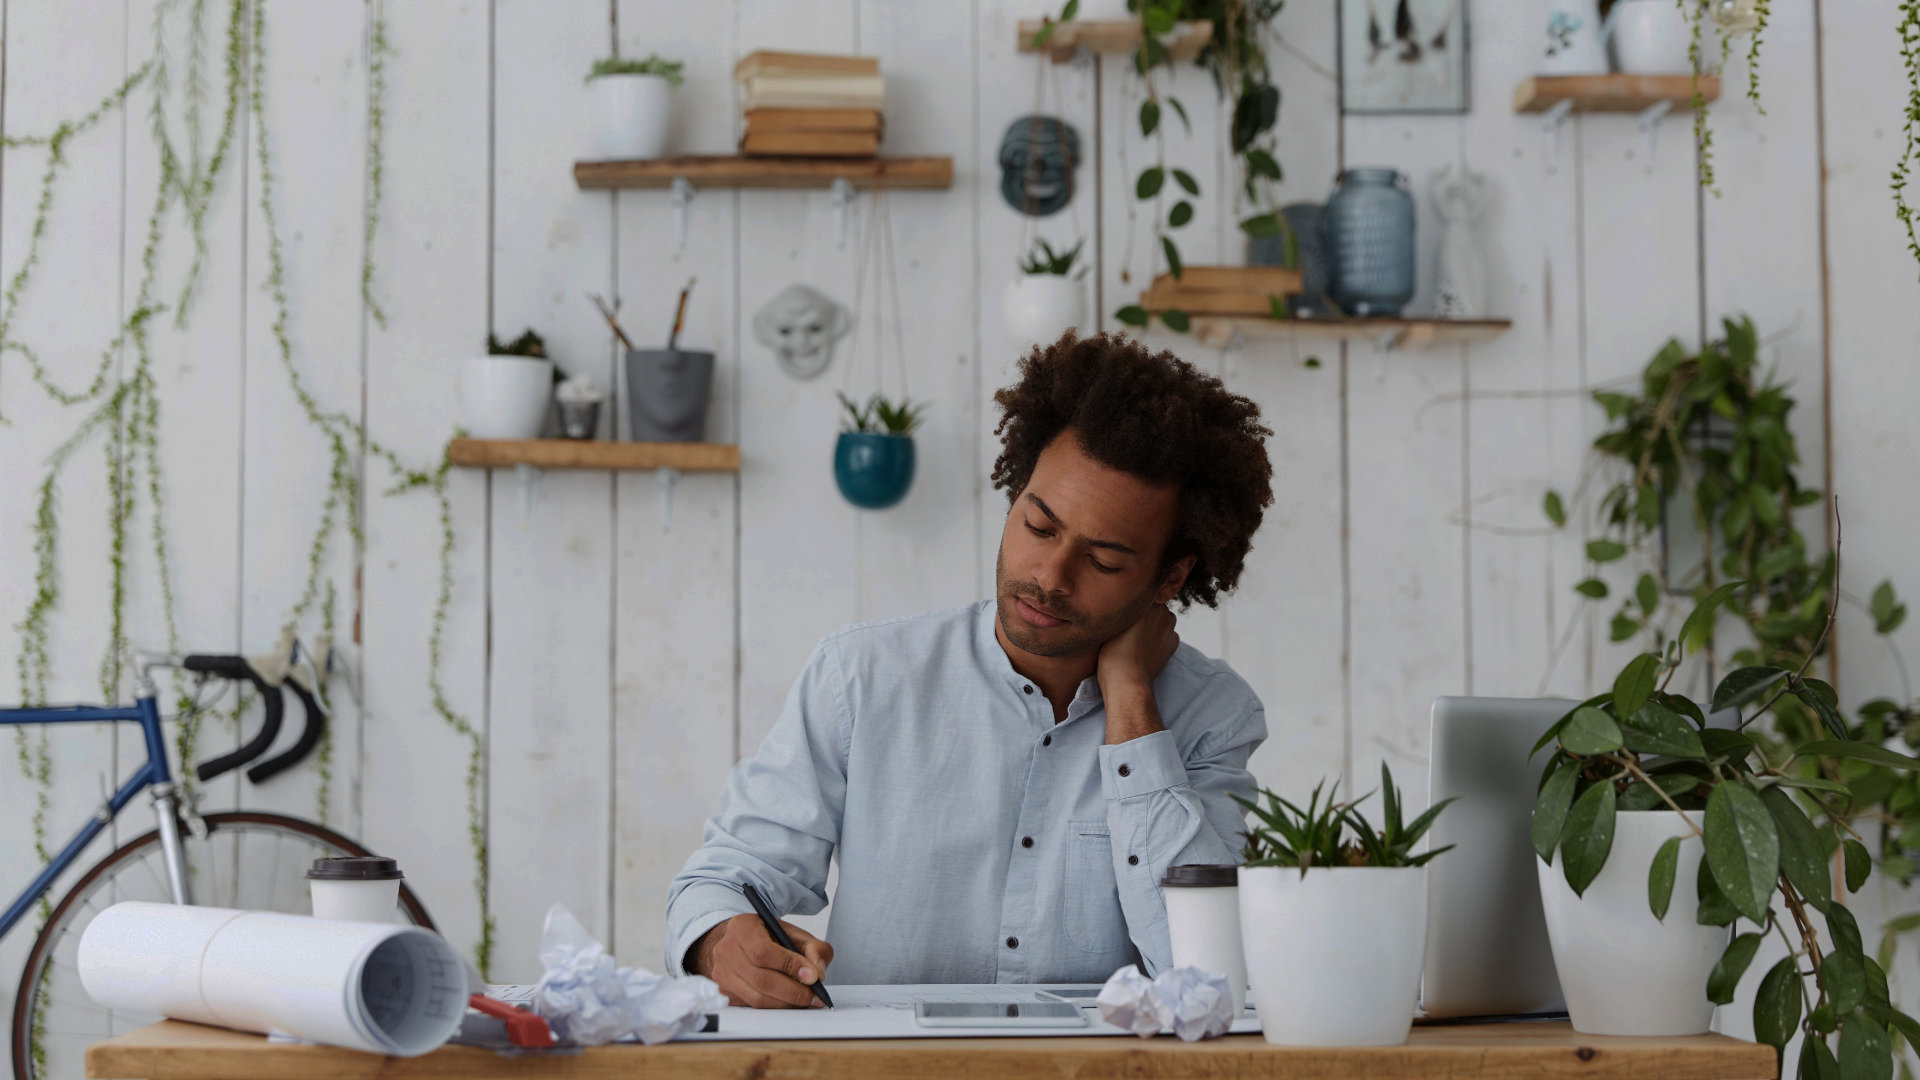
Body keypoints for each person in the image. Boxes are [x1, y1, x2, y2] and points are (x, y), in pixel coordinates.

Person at [665, 330, 1274, 1008]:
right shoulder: (864, 677)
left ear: (1171, 577)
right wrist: (721, 940)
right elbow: (723, 877)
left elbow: (1210, 974)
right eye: (1038, 527)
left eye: (1102, 561)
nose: (1048, 576)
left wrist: (1132, 704)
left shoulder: (1212, 717)